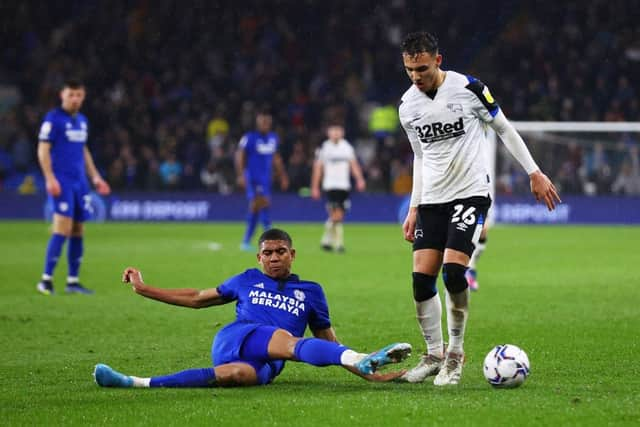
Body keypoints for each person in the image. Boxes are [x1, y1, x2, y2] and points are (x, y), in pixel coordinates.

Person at [397, 32, 561, 385]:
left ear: (437, 61)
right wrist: (414, 207)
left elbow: (504, 129)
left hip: (470, 193)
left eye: (422, 68)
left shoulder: (468, 88)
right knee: (420, 282)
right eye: (410, 69)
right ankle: (433, 353)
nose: (416, 76)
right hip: (432, 199)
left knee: (454, 274)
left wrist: (534, 172)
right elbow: (420, 157)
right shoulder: (407, 106)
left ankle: (455, 355)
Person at [93, 228, 411, 388]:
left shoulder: (311, 292)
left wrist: (367, 376)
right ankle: (364, 358)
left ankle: (134, 382)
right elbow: (196, 298)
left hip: (268, 363)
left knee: (237, 375)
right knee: (285, 337)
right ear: (259, 258)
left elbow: (329, 343)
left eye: (281, 252)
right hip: (238, 337)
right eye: (268, 253)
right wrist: (143, 287)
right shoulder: (246, 279)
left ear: (293, 254)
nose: (274, 258)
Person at [36, 80, 111, 295]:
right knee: (62, 227)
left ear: (83, 96)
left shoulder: (82, 121)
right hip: (62, 181)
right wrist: (50, 179)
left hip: (80, 183)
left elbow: (83, 151)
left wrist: (96, 177)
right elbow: (42, 150)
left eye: (79, 95)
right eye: (71, 95)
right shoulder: (53, 119)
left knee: (78, 229)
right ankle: (46, 280)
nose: (75, 99)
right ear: (62, 95)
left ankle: (72, 281)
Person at [235, 110, 289, 251]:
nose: (265, 124)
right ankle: (270, 237)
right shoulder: (249, 138)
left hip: (266, 179)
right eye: (262, 122)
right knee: (261, 203)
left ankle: (247, 241)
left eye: (267, 122)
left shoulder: (273, 138)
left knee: (257, 207)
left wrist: (282, 175)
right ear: (257, 123)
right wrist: (241, 175)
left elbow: (276, 158)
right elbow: (240, 156)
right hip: (253, 178)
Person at [311, 124, 366, 253]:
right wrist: (315, 187)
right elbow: (318, 168)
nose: (335, 133)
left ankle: (326, 240)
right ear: (328, 132)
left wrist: (359, 179)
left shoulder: (346, 147)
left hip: (344, 186)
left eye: (338, 130)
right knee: (336, 214)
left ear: (342, 132)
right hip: (330, 186)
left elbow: (354, 165)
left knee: (338, 215)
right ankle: (339, 244)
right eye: (333, 130)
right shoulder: (324, 148)